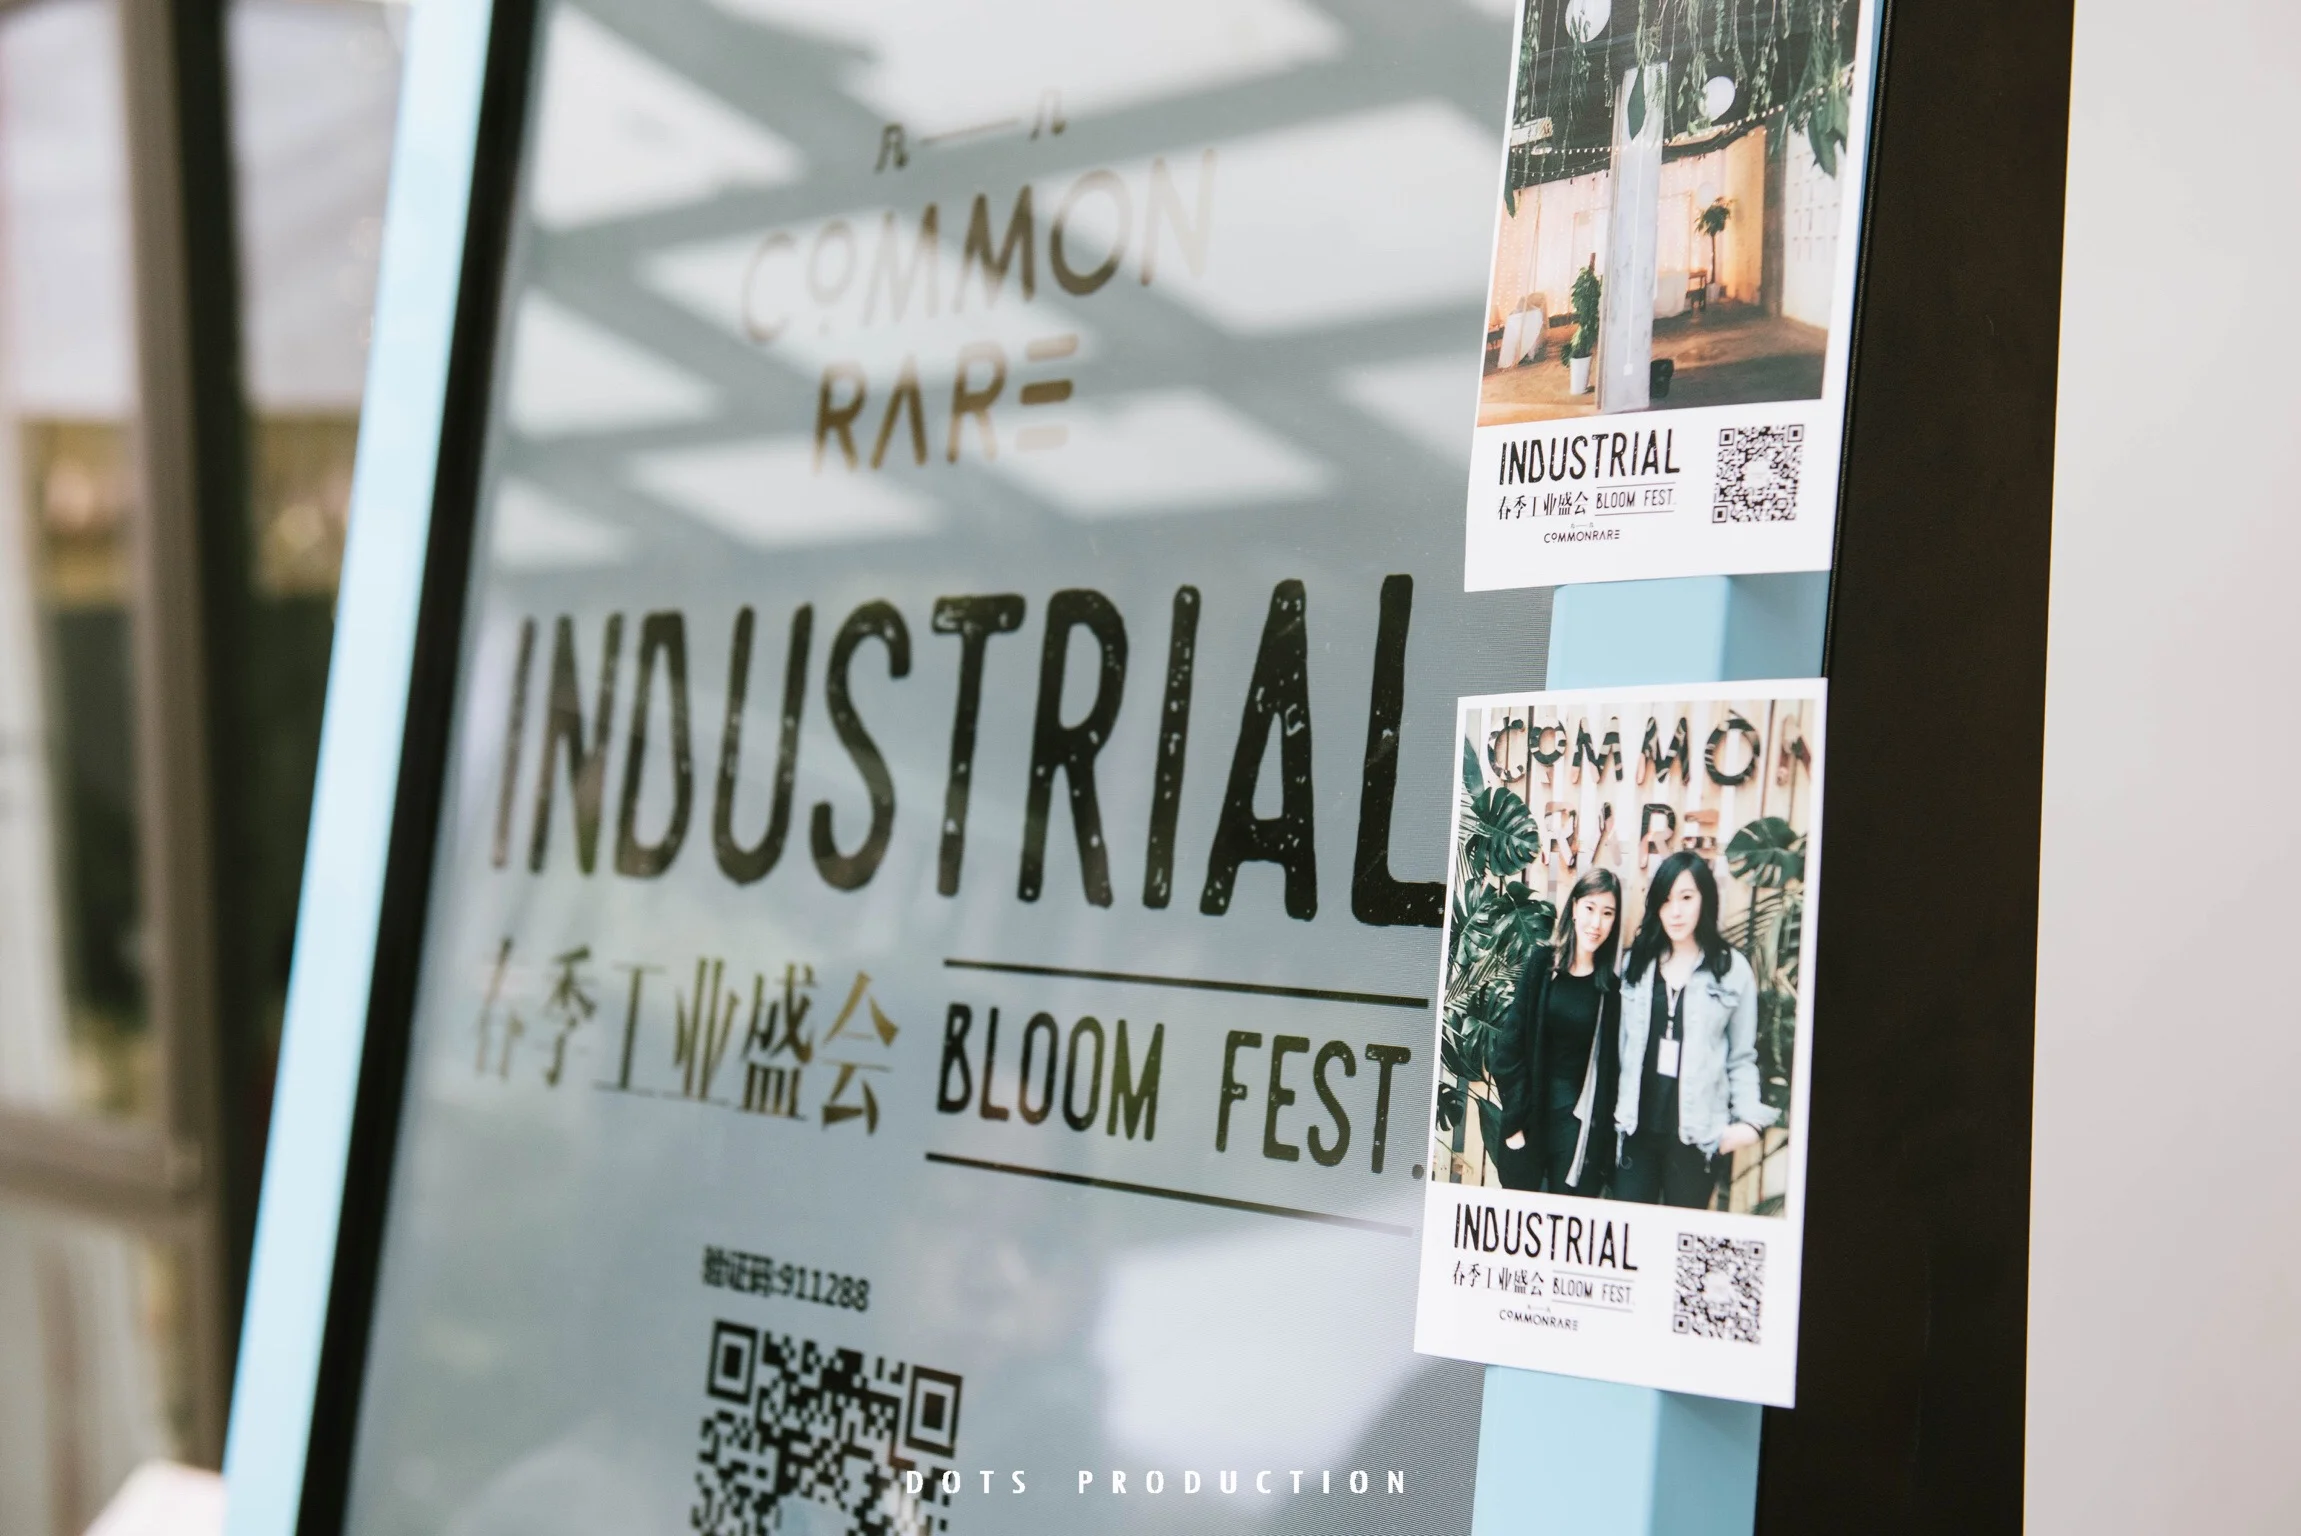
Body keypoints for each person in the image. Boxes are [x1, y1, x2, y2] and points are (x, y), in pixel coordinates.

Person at [1613, 851, 1776, 1208]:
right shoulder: (1636, 963)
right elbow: (1618, 1047)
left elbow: (1742, 1056)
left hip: (1697, 1137)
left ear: (1705, 899)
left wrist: (1749, 1123)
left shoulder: (1730, 969)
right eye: (1666, 900)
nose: (1675, 911)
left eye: (1686, 898)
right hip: (1636, 1131)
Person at [1491, 868, 1622, 1196]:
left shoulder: (1609, 988)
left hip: (1576, 1126)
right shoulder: (1542, 964)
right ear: (1574, 908)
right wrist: (1514, 1124)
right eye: (1590, 908)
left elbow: (1612, 1073)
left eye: (1607, 913)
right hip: (1531, 1114)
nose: (1596, 923)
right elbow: (1508, 1049)